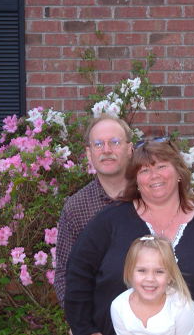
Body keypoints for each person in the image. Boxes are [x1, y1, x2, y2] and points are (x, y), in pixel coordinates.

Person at [65, 138, 194, 335]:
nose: (154, 175)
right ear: (136, 181)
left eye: (161, 166)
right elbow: (78, 274)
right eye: (144, 170)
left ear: (178, 172)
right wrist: (85, 329)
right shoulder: (109, 222)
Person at [54, 114, 133, 307]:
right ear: (89, 153)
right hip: (99, 318)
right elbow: (65, 274)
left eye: (114, 142)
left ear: (130, 149)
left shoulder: (149, 196)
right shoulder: (76, 207)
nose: (106, 150)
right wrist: (81, 323)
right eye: (98, 144)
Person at [110, 235, 194, 335]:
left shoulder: (182, 306)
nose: (150, 279)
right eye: (142, 270)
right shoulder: (119, 306)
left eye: (159, 271)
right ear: (129, 272)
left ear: (170, 276)